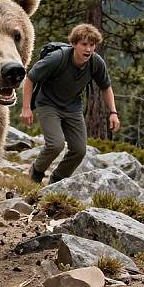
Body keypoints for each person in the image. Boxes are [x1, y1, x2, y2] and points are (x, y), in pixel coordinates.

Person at [20, 24, 120, 184]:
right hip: (48, 104)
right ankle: (36, 172)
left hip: (72, 107)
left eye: (92, 45)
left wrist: (113, 113)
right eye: (84, 44)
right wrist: (26, 108)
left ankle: (56, 181)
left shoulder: (96, 62)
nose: (88, 49)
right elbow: (30, 78)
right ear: (74, 44)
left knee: (79, 150)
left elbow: (106, 87)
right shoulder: (57, 58)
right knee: (55, 144)